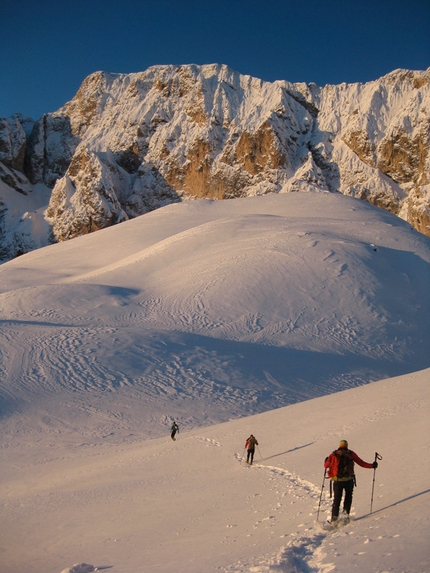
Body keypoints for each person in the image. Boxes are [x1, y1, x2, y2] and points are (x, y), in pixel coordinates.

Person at [324, 439, 377, 523]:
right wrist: (372, 465)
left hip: (337, 480)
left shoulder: (334, 454)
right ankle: (345, 516)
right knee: (348, 497)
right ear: (347, 445)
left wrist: (326, 460)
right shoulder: (351, 453)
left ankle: (334, 519)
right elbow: (361, 463)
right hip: (349, 479)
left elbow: (326, 465)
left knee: (337, 499)